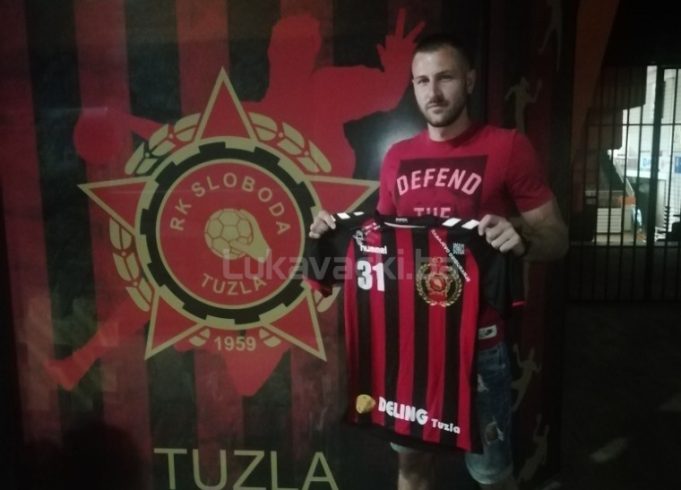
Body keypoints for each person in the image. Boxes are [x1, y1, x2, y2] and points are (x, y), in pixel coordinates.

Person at [309, 33, 568, 490]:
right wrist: (333, 235)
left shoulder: (508, 147)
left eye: (445, 77)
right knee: (411, 466)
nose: (433, 92)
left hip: (480, 346)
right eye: (422, 81)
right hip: (411, 342)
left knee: (492, 475)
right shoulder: (397, 156)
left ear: (469, 80)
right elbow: (383, 243)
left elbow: (557, 239)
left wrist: (522, 240)